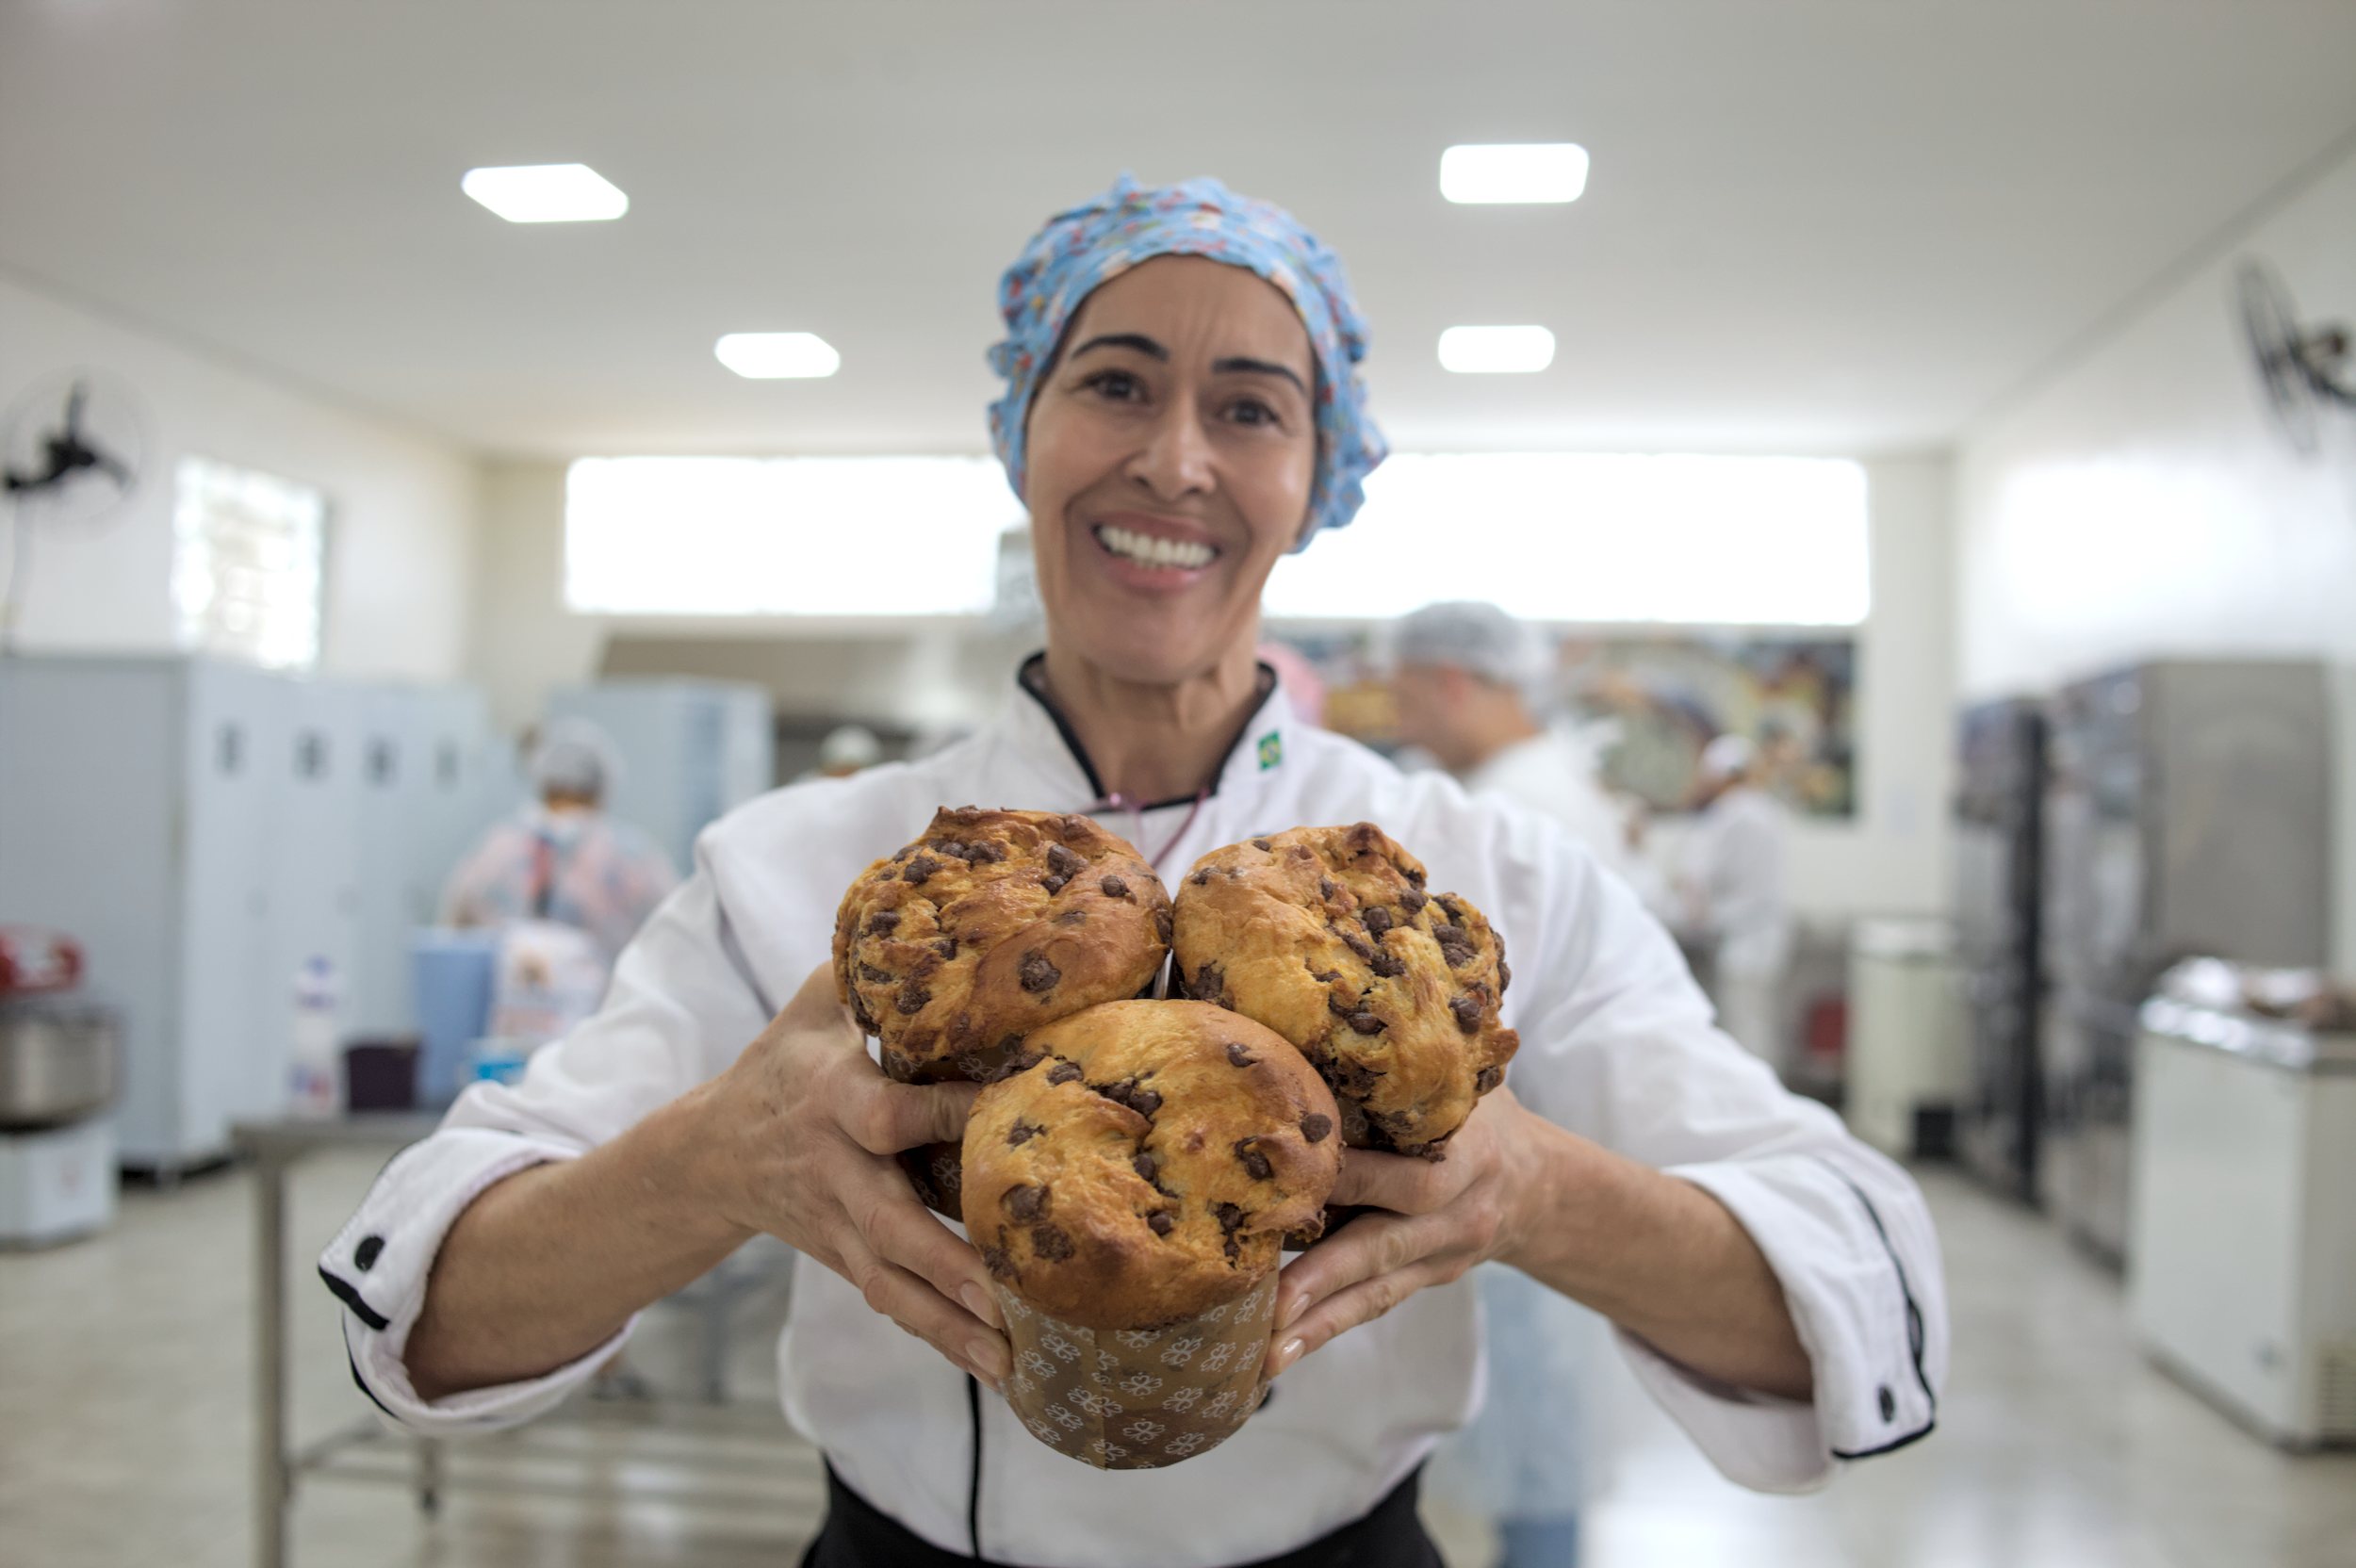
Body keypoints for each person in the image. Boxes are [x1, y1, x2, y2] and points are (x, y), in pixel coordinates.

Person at [323, 174, 1945, 1568]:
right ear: (1020, 431)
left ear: (1320, 477)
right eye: (1113, 381)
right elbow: (432, 1309)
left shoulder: (1470, 889)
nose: (1174, 460)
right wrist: (720, 1156)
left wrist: (1531, 1185)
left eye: (1250, 405)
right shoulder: (803, 875)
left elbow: (1858, 1280)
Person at [1392, 600, 1621, 1567]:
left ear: (1451, 681)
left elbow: (1458, 1008)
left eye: (1405, 694)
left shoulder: (1519, 807)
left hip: (1531, 1140)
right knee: (1528, 1414)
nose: (1402, 718)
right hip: (1545, 1136)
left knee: (1533, 1422)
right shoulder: (1535, 781)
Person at [1390, 600, 1638, 884]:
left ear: (1452, 684)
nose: (1403, 731)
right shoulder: (1534, 774)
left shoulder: (1515, 803)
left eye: (1405, 702)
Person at [439, 719, 681, 967]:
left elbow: (455, 936)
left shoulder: (496, 850)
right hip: (610, 1003)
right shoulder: (632, 857)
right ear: (602, 787)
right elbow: (676, 939)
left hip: (506, 1003)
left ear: (543, 781)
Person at [1676, 734, 1796, 1070]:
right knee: (1760, 1027)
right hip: (1769, 939)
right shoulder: (1767, 810)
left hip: (1743, 942)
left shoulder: (1729, 814)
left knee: (1744, 1033)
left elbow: (1694, 876)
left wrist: (1696, 914)